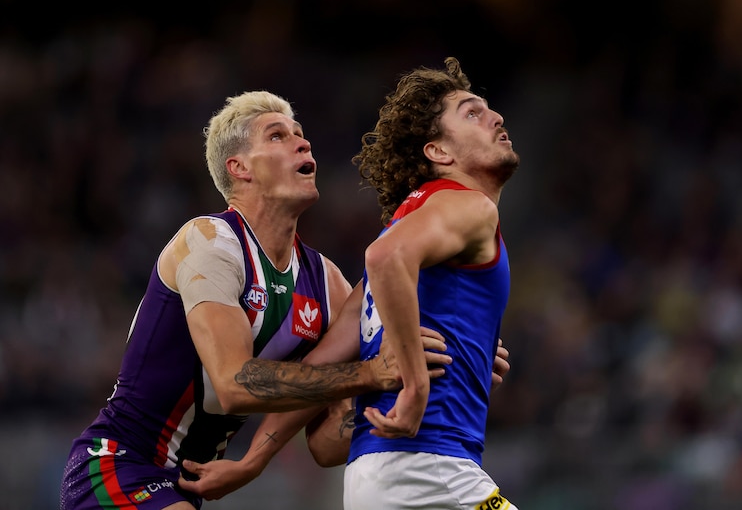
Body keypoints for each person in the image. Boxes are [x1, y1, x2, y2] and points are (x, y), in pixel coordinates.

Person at [59, 90, 452, 510]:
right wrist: (372, 373)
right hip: (116, 466)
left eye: (301, 135)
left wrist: (444, 371)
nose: (303, 143)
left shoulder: (328, 283)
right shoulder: (209, 242)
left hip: (183, 489)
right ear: (239, 167)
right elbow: (233, 384)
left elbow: (326, 444)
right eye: (278, 136)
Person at [337, 56, 521, 509]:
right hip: (429, 468)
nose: (495, 117)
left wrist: (253, 459)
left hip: (370, 477)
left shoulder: (406, 232)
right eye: (471, 113)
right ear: (439, 152)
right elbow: (384, 257)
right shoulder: (471, 206)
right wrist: (417, 386)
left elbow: (317, 398)